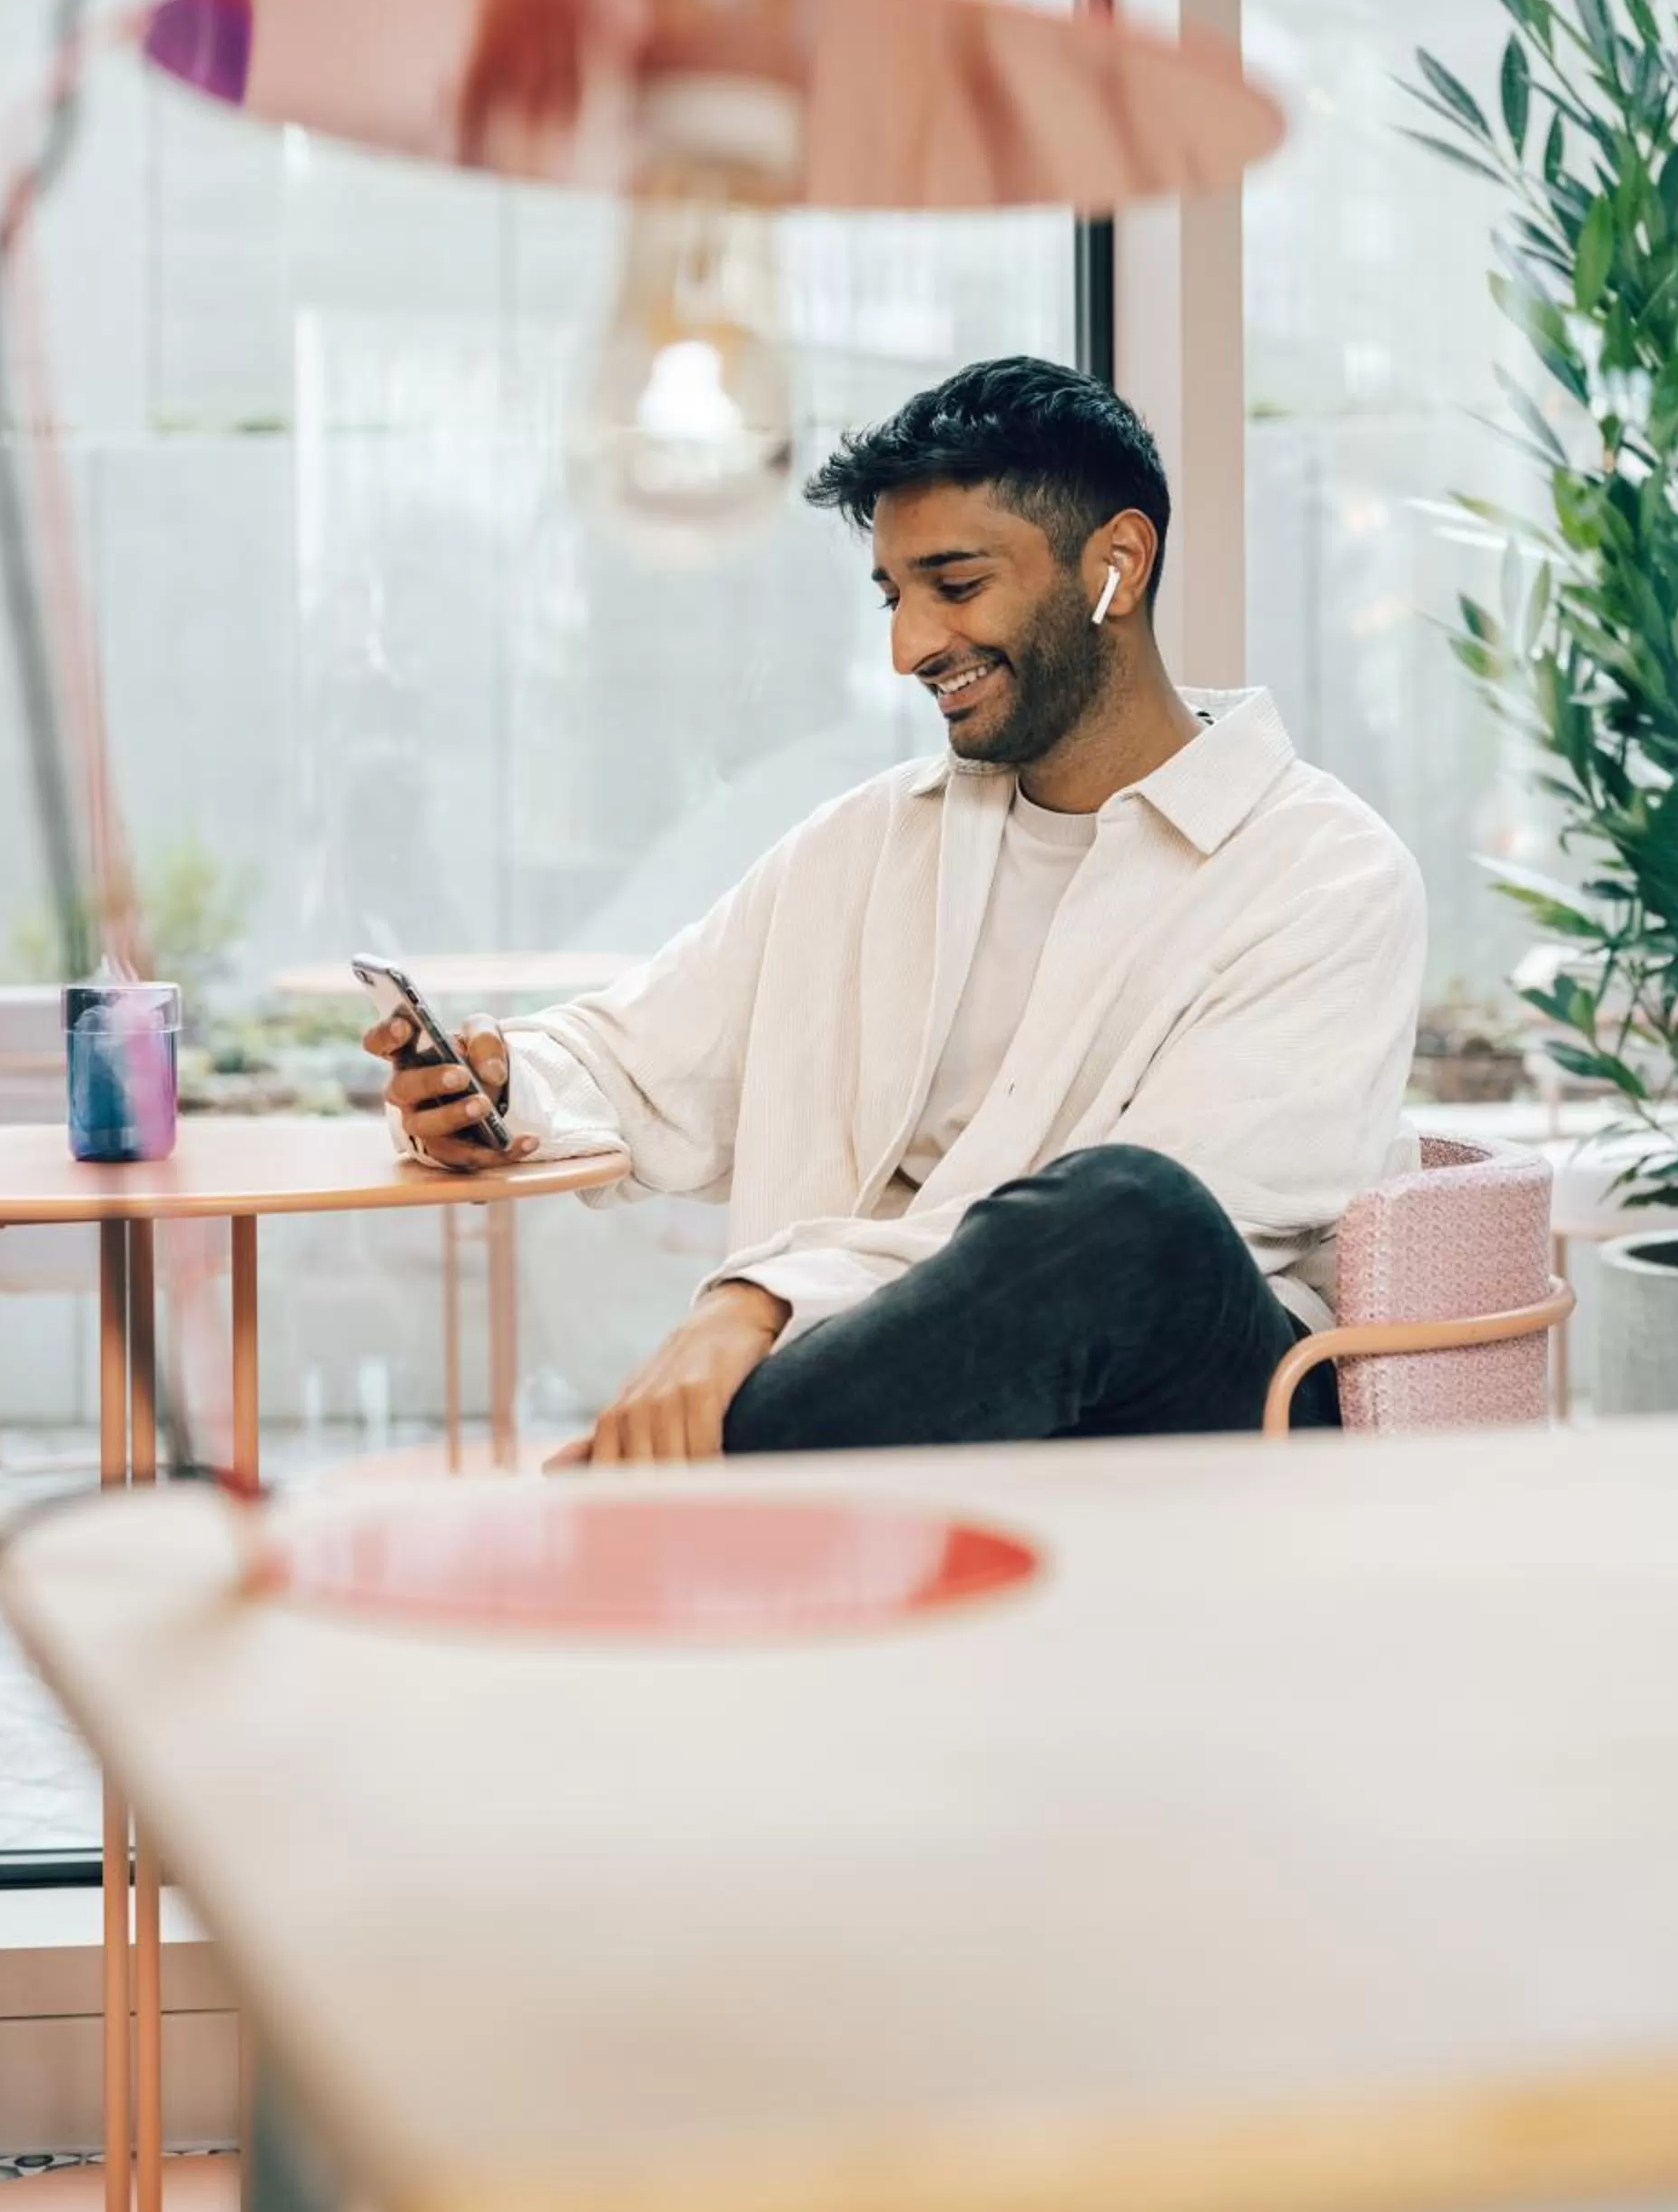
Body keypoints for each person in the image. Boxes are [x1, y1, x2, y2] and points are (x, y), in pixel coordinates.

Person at [365, 357, 1426, 1464]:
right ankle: (676, 1514)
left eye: (955, 587)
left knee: (1126, 1216)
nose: (907, 647)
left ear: (1116, 564)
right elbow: (636, 1059)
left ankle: (647, 1512)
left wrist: (759, 1303)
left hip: (1206, 1408)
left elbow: (1159, 1231)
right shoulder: (868, 844)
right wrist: (492, 1084)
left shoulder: (1325, 875)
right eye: (892, 596)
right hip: (880, 1389)